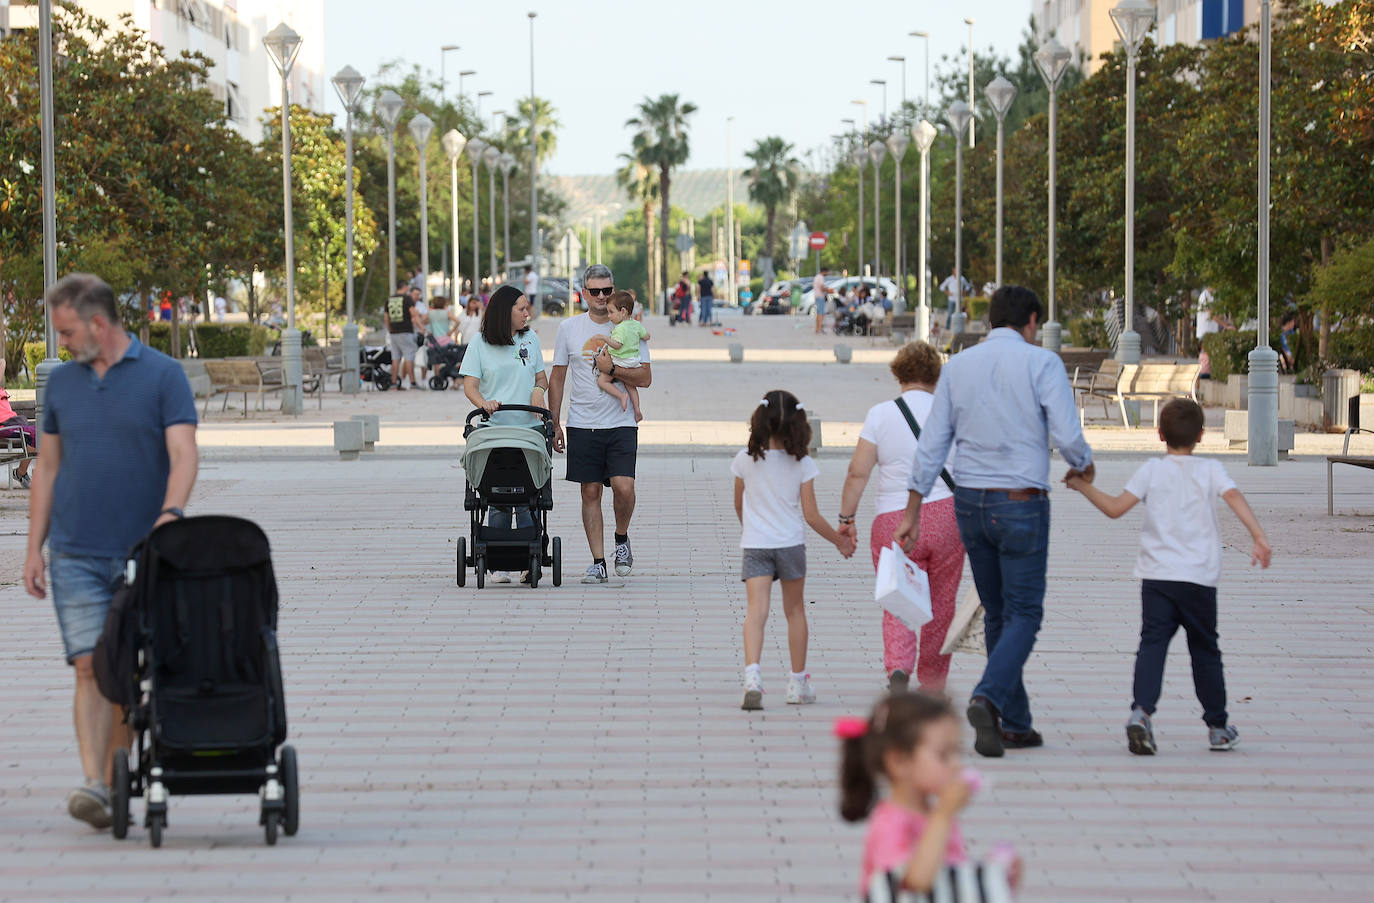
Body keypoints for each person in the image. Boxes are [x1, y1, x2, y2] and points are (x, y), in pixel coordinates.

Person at [23, 273, 198, 829]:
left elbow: (183, 452)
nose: (63, 344)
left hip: (141, 554)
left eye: (68, 332)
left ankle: (117, 777)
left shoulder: (163, 376)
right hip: (74, 552)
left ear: (99, 323)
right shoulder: (63, 385)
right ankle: (97, 785)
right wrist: (33, 549)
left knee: (119, 669)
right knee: (86, 668)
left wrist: (170, 515)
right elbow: (47, 468)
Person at [895, 285, 1094, 759]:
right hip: (1021, 501)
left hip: (969, 504)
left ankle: (1015, 723)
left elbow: (932, 444)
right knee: (1025, 613)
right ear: (1031, 321)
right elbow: (1068, 435)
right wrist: (1083, 463)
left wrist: (912, 508)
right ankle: (988, 695)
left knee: (996, 609)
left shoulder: (958, 366)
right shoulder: (1043, 364)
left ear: (988, 321)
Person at [1065, 399, 1271, 755]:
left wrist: (1083, 487)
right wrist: (1258, 536)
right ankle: (1218, 728)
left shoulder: (1150, 470)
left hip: (1157, 579)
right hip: (1198, 581)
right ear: (1201, 436)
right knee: (1205, 650)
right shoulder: (1210, 470)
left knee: (1152, 645)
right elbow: (1234, 495)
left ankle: (1141, 713)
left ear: (1160, 434)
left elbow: (1115, 509)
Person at [840, 343, 963, 694]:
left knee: (899, 595)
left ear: (898, 374)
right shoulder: (952, 412)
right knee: (942, 603)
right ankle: (933, 678)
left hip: (893, 519)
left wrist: (846, 518)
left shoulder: (881, 414)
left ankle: (898, 666)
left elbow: (857, 473)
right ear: (937, 376)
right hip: (947, 516)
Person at [733, 389, 854, 710]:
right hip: (789, 544)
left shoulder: (745, 460)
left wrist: (752, 528)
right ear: (799, 425)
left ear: (758, 421)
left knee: (756, 612)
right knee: (795, 612)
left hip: (756, 544)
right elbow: (811, 515)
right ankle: (796, 684)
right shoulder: (803, 463)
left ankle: (752, 678)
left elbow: (738, 503)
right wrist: (840, 540)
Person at [838, 693, 1022, 897]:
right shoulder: (891, 823)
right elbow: (915, 880)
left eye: (957, 752)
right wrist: (942, 816)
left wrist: (990, 876)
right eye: (943, 755)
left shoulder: (934, 814)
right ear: (899, 761)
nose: (956, 765)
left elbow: (945, 879)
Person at [548, 264, 652, 584]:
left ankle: (622, 538)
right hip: (582, 423)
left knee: (624, 487)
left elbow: (645, 377)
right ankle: (598, 561)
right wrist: (554, 423)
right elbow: (557, 379)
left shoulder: (630, 326)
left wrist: (614, 370)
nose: (602, 297)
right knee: (590, 492)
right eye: (595, 291)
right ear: (584, 293)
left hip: (621, 423)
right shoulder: (569, 328)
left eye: (607, 290)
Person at [459, 284, 550, 584]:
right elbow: (470, 385)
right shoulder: (480, 344)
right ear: (504, 312)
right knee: (496, 495)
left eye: (527, 308)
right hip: (494, 432)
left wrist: (538, 391)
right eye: (522, 309)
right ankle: (497, 563)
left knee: (527, 496)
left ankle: (529, 558)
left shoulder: (531, 338)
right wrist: (483, 403)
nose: (528, 313)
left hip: (527, 432)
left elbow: (541, 377)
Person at [595, 291, 650, 422]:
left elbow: (617, 345)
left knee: (602, 381)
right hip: (633, 361)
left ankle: (621, 396)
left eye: (611, 312)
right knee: (630, 385)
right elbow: (646, 336)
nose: (609, 316)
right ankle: (637, 409)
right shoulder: (636, 324)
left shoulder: (620, 328)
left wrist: (605, 338)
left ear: (623, 311)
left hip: (619, 361)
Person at [0, 361, 36, 488]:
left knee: (43, 431)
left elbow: (2, 362)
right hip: (5, 427)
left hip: (13, 425)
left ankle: (22, 472)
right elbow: (3, 362)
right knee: (37, 433)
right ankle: (21, 473)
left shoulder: (1, 390)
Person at [384, 280, 418, 390]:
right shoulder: (407, 299)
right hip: (405, 331)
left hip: (393, 332)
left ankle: (393, 383)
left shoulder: (389, 299)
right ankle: (412, 382)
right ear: (404, 286)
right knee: (409, 357)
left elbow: (386, 317)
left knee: (395, 358)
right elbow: (413, 314)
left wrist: (390, 329)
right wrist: (421, 327)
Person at [813, 268, 830, 334]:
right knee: (821, 313)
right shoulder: (821, 277)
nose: (827, 274)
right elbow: (822, 287)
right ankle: (819, 329)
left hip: (817, 296)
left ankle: (817, 329)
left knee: (818, 313)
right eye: (827, 272)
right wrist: (828, 290)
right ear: (824, 272)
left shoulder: (817, 277)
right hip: (820, 297)